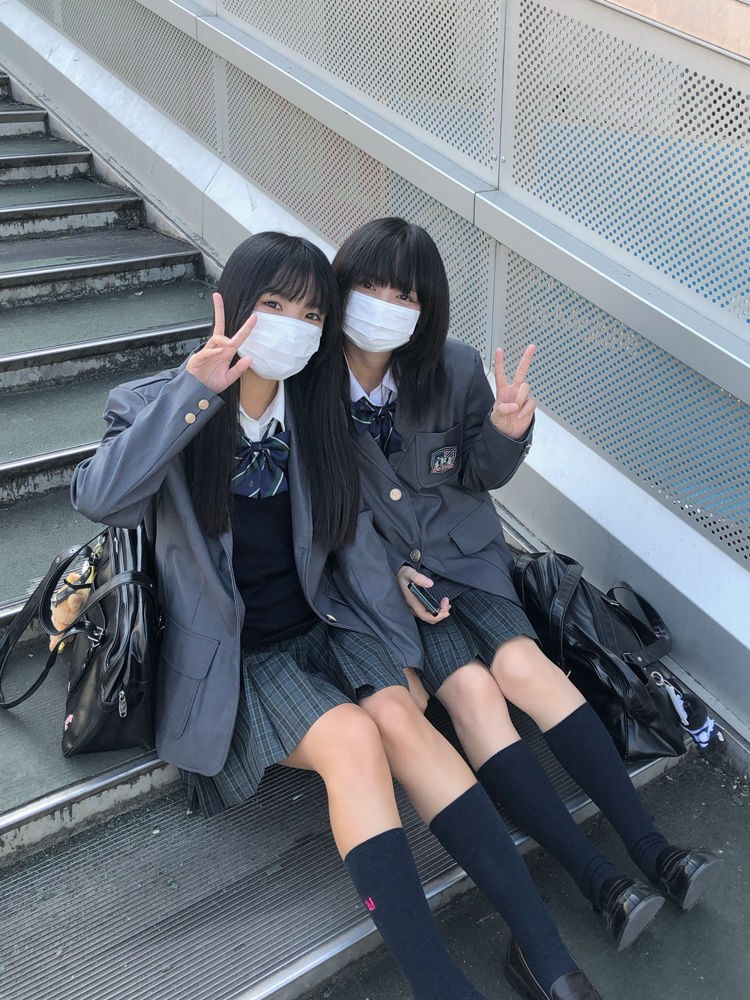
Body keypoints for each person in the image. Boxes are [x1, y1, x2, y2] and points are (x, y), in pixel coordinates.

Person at [71, 232, 604, 1000]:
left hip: (326, 626)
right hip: (238, 659)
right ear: (233, 303)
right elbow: (98, 497)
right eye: (274, 304)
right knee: (354, 738)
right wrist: (194, 392)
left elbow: (351, 545)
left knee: (402, 719)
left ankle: (545, 955)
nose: (293, 325)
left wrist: (400, 652)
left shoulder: (316, 407)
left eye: (311, 313)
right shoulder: (160, 402)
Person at [332, 216, 722, 954]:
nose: (385, 305)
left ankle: (655, 852)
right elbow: (325, 513)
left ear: (426, 306)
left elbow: (479, 474)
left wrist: (507, 433)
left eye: (404, 294)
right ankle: (599, 881)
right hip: (391, 585)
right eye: (370, 286)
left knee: (524, 668)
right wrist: (389, 575)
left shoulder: (452, 366)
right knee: (474, 694)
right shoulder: (310, 386)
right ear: (343, 286)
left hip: (470, 558)